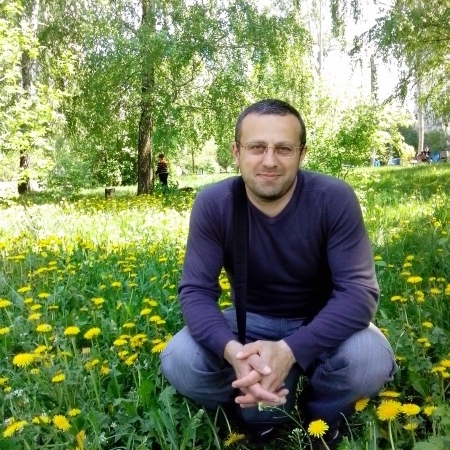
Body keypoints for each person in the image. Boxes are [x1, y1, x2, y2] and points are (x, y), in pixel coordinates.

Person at [160, 99, 397, 449]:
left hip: (321, 320)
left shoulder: (333, 198)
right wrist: (234, 353)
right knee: (180, 357)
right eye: (257, 147)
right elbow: (195, 291)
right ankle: (253, 414)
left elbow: (359, 294)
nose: (269, 161)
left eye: (283, 148)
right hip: (247, 323)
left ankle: (319, 415)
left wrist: (290, 350)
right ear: (236, 152)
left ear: (301, 154)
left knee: (370, 358)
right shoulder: (214, 203)